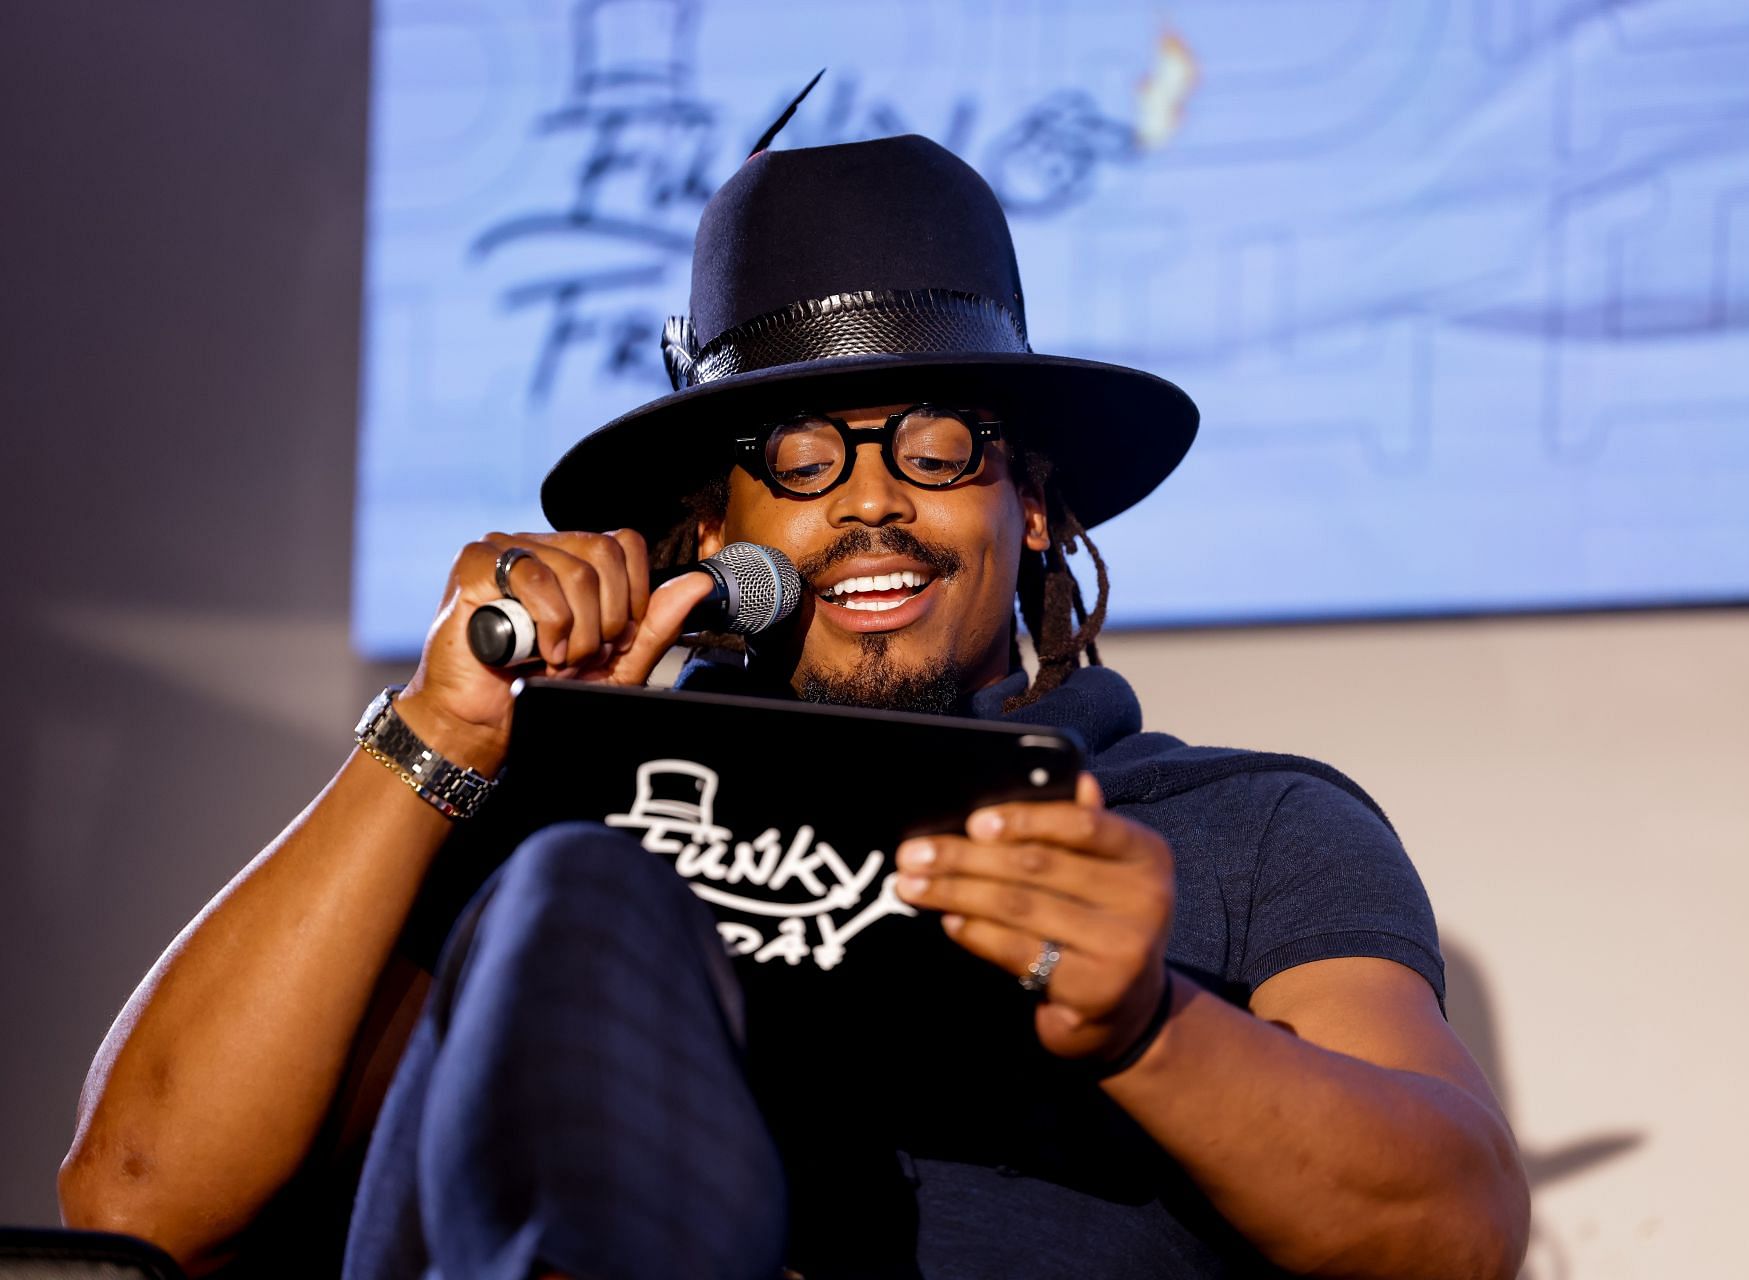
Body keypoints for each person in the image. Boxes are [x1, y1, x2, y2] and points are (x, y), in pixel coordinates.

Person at [59, 134, 1528, 1278]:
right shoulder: (529, 812)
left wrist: (1146, 1026)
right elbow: (139, 1208)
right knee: (582, 881)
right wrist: (448, 748)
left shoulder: (1244, 827)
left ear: (1035, 503)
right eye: (804, 454)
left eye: (942, 445)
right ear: (713, 525)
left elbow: (1453, 1230)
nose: (878, 501)